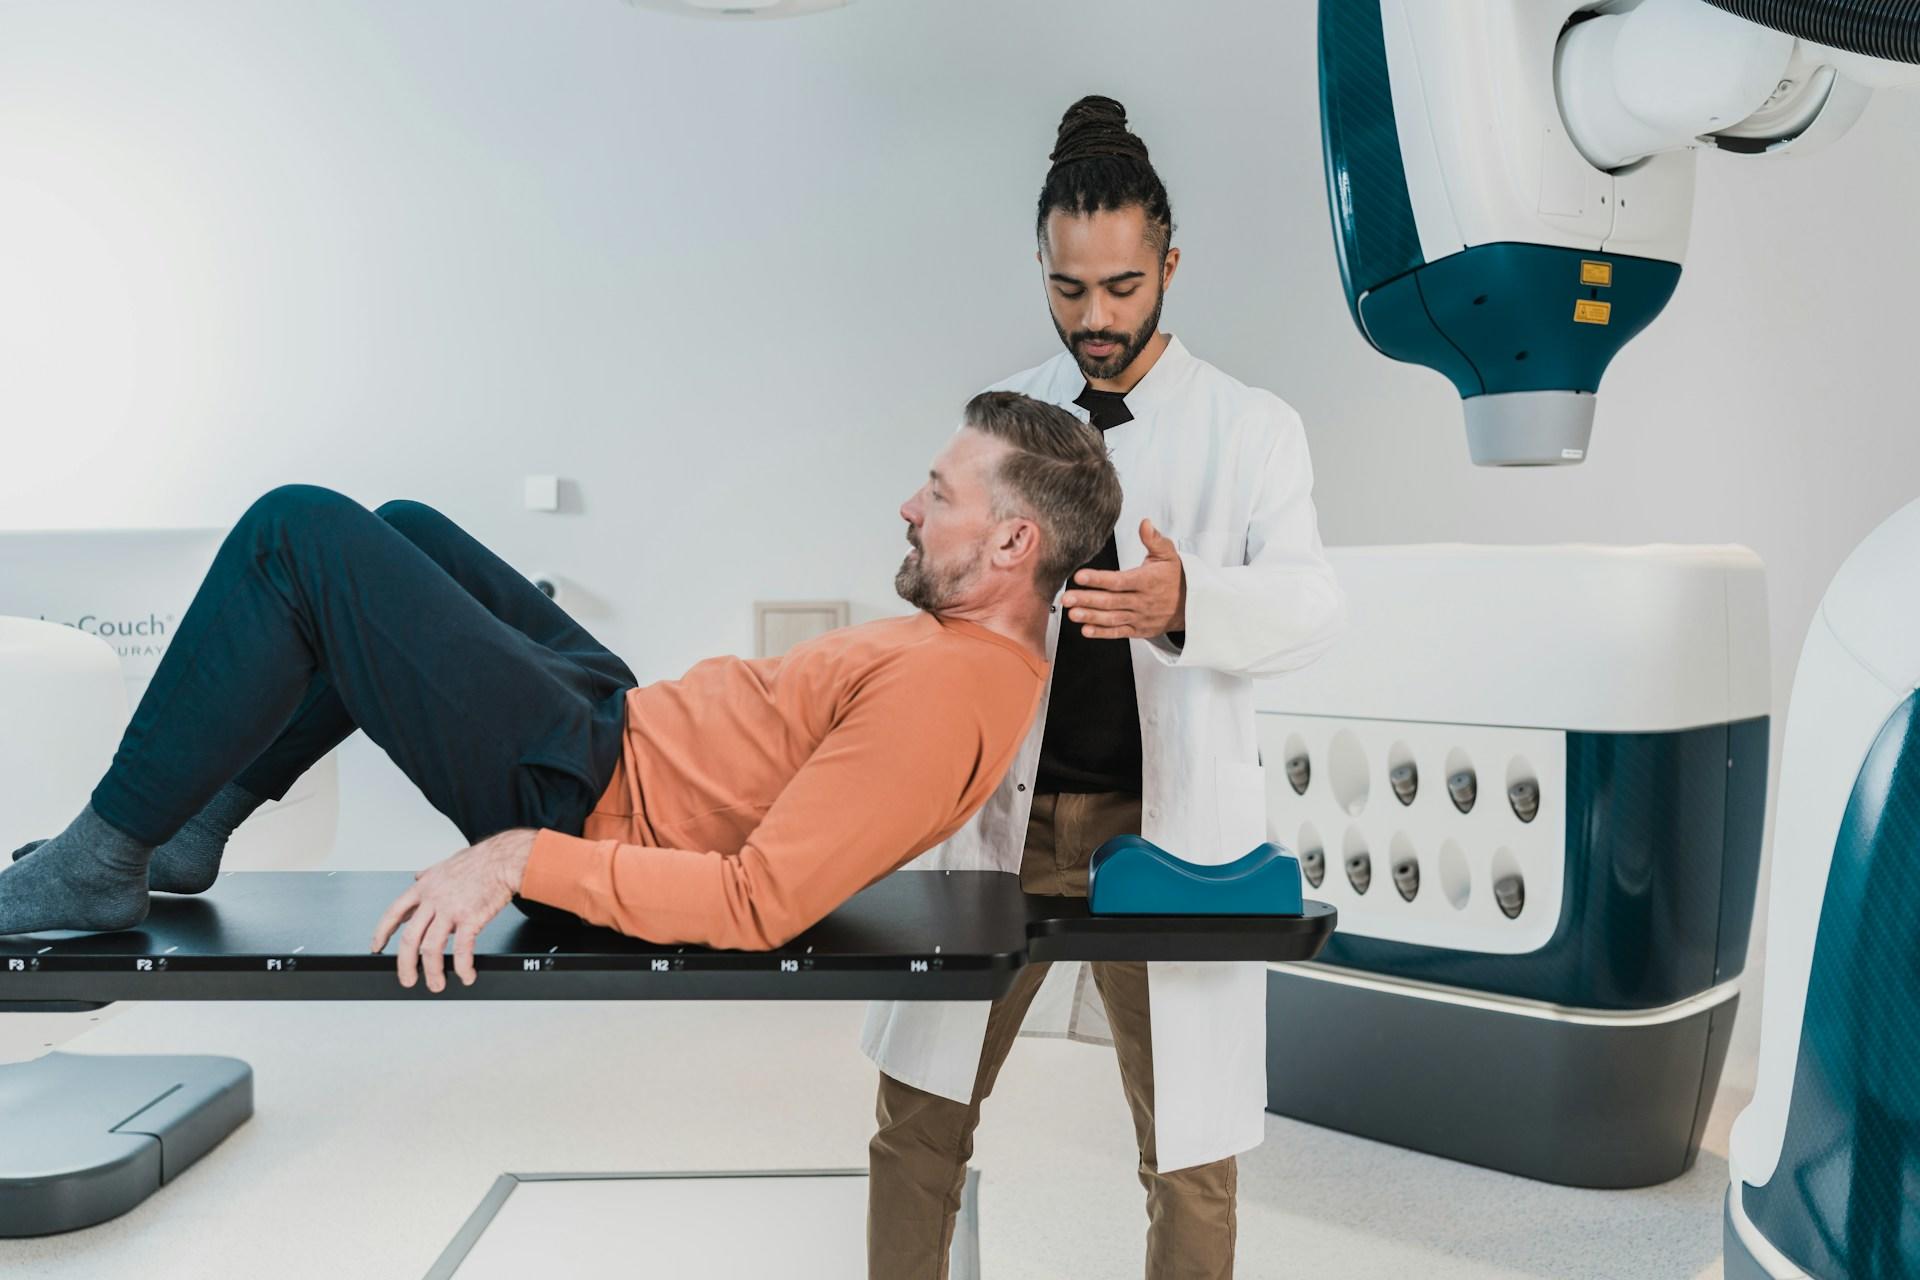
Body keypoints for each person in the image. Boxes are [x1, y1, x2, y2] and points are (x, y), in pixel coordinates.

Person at [3, 391, 1123, 996]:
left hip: (581, 794)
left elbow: (756, 903)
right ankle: (195, 822)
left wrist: (516, 857)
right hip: (617, 728)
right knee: (402, 530)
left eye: (937, 494)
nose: (909, 508)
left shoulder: (949, 693)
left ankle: (104, 855)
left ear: (1014, 540)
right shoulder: (968, 654)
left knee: (295, 530)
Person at [863, 97, 1347, 1279]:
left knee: (1192, 1154)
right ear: (1043, 267)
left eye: (1124, 288)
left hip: (1168, 833)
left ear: (1170, 264)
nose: (1097, 318)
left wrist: (1185, 604)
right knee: (918, 1117)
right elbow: (939, 595)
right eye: (1071, 290)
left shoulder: (1255, 429)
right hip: (1003, 823)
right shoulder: (1000, 420)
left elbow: (1310, 603)